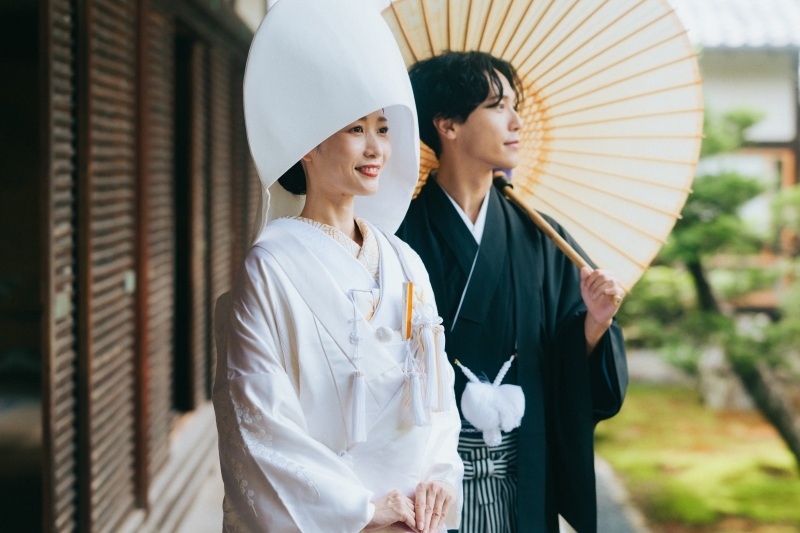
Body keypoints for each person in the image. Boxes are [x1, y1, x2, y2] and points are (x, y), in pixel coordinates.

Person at [212, 1, 463, 531]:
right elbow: (258, 416)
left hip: (414, 517)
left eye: (383, 128)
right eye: (355, 128)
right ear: (308, 144)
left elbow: (438, 400)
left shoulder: (404, 260)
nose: (376, 148)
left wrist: (439, 479)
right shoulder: (271, 265)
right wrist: (362, 511)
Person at [396, 51, 628, 533]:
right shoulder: (398, 237)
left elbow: (570, 366)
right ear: (447, 124)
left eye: (515, 105)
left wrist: (594, 323)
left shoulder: (542, 236)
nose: (517, 120)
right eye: (498, 106)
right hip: (431, 479)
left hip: (522, 472)